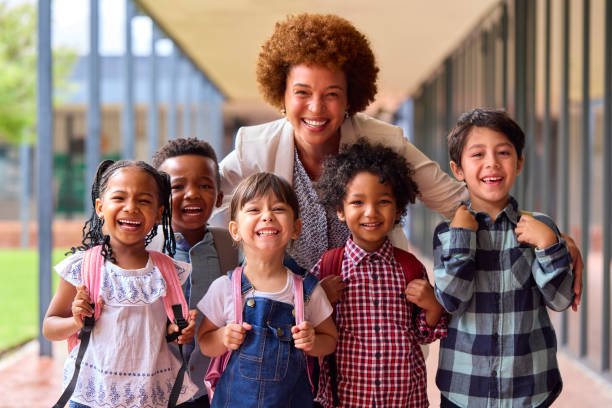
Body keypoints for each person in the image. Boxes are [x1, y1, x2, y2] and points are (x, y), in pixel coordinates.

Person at [213, 13, 583, 309]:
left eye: (332, 94)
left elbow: (458, 201)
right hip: (289, 310)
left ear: (350, 99)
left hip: (371, 310)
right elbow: (200, 197)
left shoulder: (381, 139)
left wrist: (545, 235)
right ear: (281, 93)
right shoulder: (255, 146)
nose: (316, 108)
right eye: (302, 93)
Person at [433, 109, 574, 407]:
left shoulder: (541, 228)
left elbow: (561, 299)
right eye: (478, 154)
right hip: (464, 391)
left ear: (519, 163)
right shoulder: (448, 233)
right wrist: (462, 238)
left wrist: (549, 244)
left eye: (503, 152)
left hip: (531, 390)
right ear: (457, 169)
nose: (492, 163)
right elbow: (451, 301)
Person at [42, 160, 198, 408]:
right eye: (119, 198)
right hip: (92, 395)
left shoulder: (167, 271)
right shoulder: (82, 267)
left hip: (152, 394)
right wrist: (75, 320)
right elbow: (49, 327)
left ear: (159, 213)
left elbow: (165, 331)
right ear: (100, 207)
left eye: (144, 201)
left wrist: (179, 331)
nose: (131, 207)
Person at [312, 140, 447, 407]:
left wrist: (432, 304)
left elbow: (423, 334)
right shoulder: (329, 267)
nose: (371, 212)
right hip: (346, 400)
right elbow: (309, 331)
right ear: (340, 210)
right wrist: (319, 299)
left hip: (405, 400)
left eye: (383, 202)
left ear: (398, 210)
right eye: (358, 202)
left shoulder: (409, 267)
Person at [197, 172, 338, 407]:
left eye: (278, 209)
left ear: (295, 227)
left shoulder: (307, 291)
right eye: (254, 210)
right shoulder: (224, 288)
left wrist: (313, 341)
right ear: (235, 230)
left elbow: (330, 339)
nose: (267, 216)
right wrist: (222, 337)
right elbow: (204, 342)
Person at [150, 138, 239, 407]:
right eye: (177, 186)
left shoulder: (232, 249)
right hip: (154, 391)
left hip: (211, 391)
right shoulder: (141, 252)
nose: (192, 194)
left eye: (204, 185)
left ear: (219, 197)